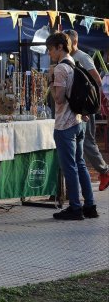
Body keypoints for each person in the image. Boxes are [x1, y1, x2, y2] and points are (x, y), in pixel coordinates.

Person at [46, 32, 97, 220]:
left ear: (60, 47)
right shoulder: (73, 63)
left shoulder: (60, 69)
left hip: (64, 124)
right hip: (78, 121)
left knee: (70, 167)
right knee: (80, 164)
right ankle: (89, 205)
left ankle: (75, 207)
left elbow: (58, 98)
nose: (49, 53)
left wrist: (51, 79)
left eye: (50, 49)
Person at [65, 29, 109, 192]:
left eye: (66, 40)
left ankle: (105, 170)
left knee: (88, 143)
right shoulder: (67, 58)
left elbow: (97, 80)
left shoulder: (82, 57)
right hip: (74, 108)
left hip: (85, 108)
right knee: (79, 145)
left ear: (73, 41)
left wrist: (90, 104)